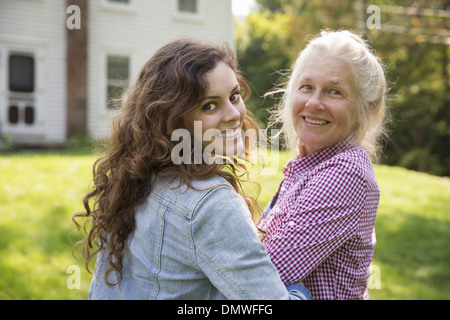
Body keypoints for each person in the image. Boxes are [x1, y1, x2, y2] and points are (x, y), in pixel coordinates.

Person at [72, 38, 311, 300]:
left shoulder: (134, 178)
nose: (233, 114)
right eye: (209, 105)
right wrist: (300, 286)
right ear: (172, 120)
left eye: (234, 96)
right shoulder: (210, 204)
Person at [257, 30, 389, 300]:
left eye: (334, 91)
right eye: (306, 87)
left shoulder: (345, 173)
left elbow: (259, 277)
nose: (314, 102)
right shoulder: (310, 166)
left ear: (365, 109)